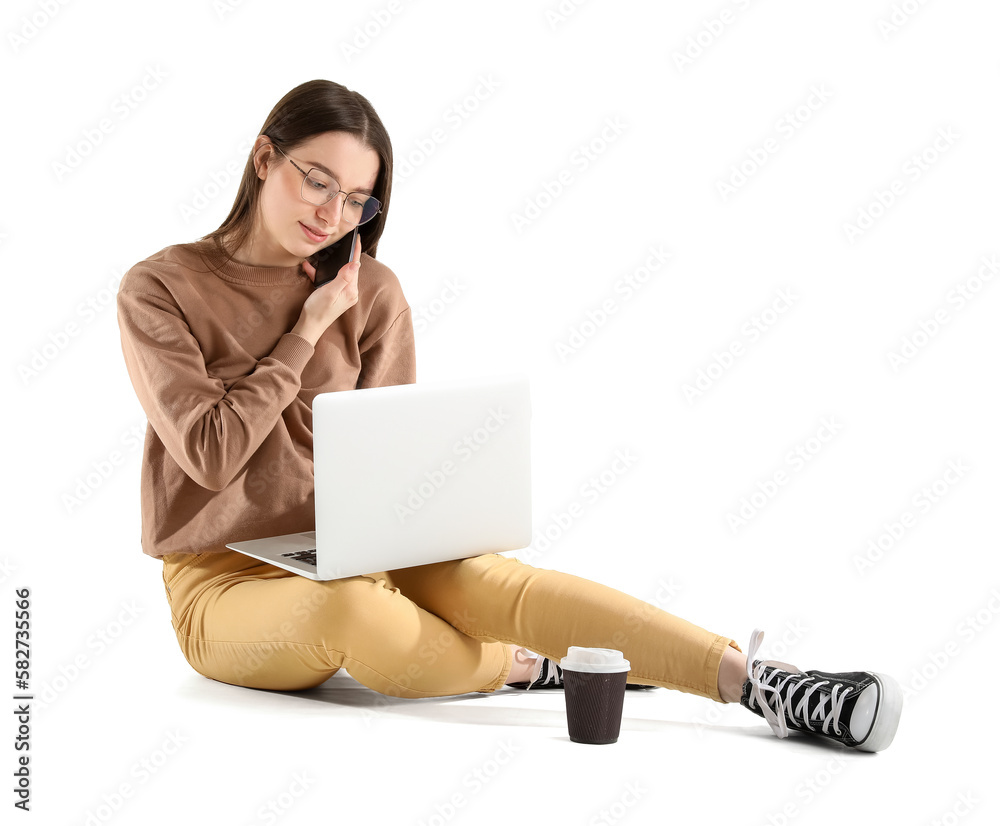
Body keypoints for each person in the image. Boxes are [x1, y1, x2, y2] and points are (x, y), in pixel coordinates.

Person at [115, 79, 902, 753]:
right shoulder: (161, 288)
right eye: (317, 180)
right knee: (351, 608)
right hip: (222, 584)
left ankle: (762, 685)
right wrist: (310, 329)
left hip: (350, 549)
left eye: (358, 198)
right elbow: (211, 454)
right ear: (263, 161)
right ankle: (530, 665)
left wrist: (434, 524)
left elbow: (388, 465)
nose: (333, 213)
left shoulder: (374, 292)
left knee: (496, 579)